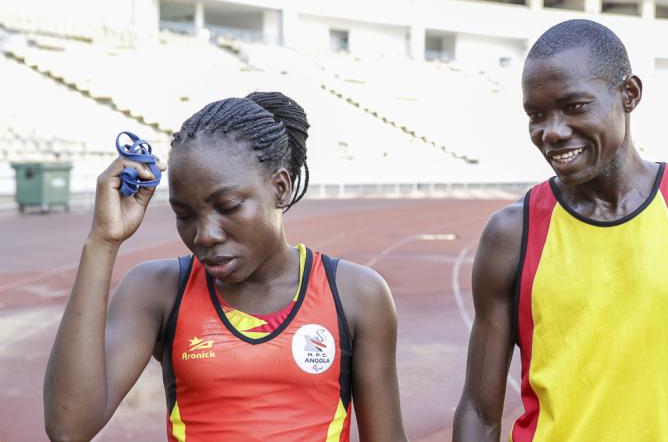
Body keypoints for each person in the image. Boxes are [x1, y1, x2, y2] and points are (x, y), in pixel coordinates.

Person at [453, 19, 668, 441]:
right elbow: (478, 409)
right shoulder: (512, 235)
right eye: (535, 114)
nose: (552, 132)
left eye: (574, 106)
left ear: (629, 94)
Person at [44, 92, 408, 441]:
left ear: (280, 187)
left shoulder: (356, 294)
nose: (205, 235)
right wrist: (102, 243)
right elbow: (69, 428)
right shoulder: (158, 291)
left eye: (229, 206)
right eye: (184, 215)